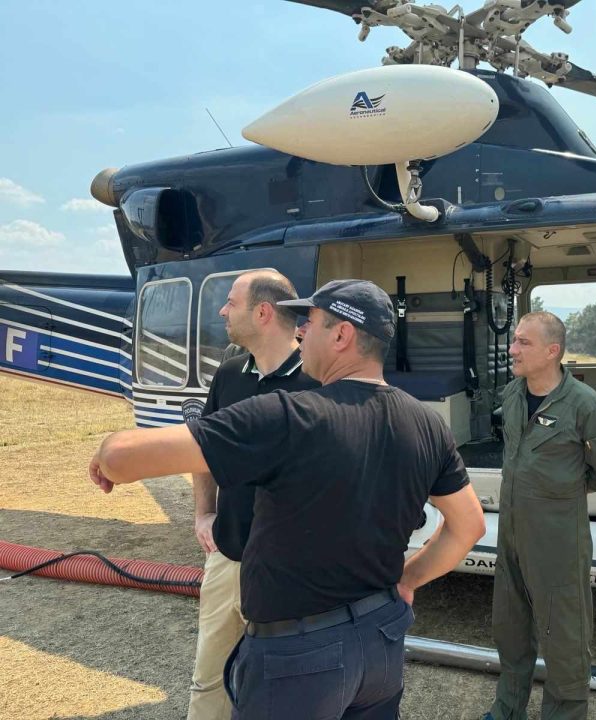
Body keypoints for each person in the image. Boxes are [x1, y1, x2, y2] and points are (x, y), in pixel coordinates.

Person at [89, 279, 486, 720]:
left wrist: (106, 453)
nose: (300, 333)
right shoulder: (426, 423)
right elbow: (469, 526)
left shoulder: (289, 416)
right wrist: (408, 580)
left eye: (310, 322)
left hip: (298, 657)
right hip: (381, 642)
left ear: (342, 336)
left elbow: (122, 457)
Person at [188, 270, 319, 720]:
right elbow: (202, 452)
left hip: (291, 571)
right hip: (228, 559)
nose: (223, 311)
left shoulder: (318, 382)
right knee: (209, 680)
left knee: (283, 691)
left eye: (230, 302)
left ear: (263, 312)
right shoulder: (227, 375)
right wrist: (205, 514)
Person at [485, 311, 596, 720]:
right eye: (514, 340)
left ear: (552, 351)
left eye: (523, 343)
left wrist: (561, 490)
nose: (512, 349)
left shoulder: (585, 406)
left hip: (558, 542)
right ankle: (507, 711)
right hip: (511, 534)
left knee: (564, 641)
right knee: (510, 630)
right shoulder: (513, 394)